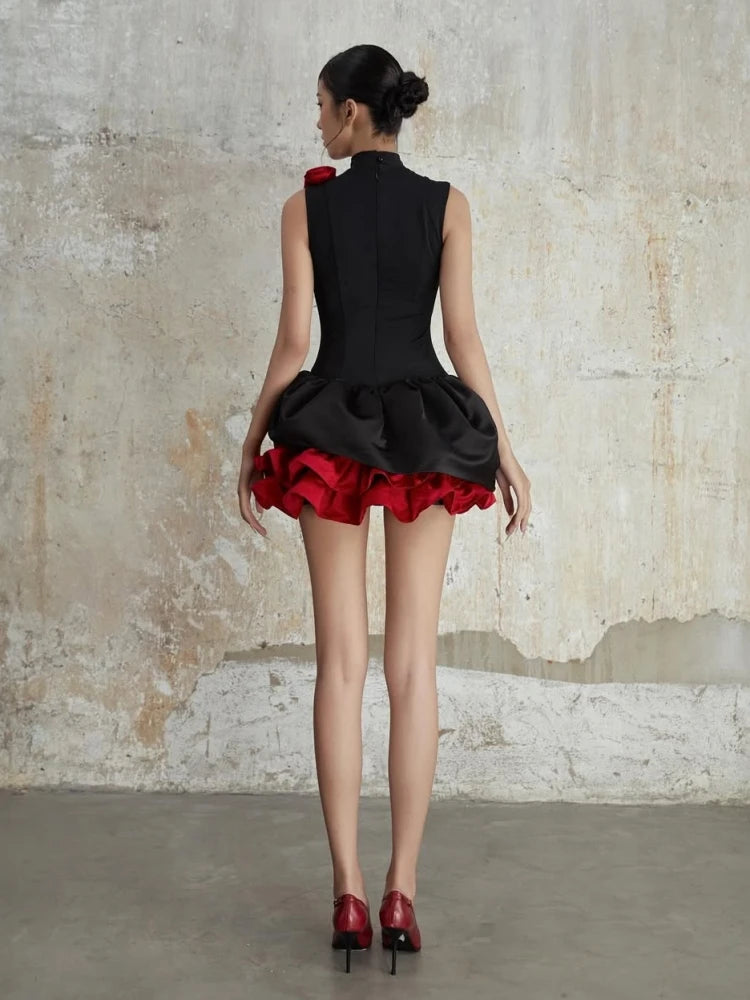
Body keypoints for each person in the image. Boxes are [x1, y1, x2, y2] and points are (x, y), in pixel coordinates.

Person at [237, 44, 531, 975]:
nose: (317, 122)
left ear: (353, 114)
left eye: (322, 105)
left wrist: (253, 440)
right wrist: (504, 449)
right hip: (425, 432)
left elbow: (294, 343)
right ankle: (402, 889)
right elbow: (463, 340)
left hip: (327, 428)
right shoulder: (447, 205)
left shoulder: (305, 207)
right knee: (412, 666)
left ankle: (349, 892)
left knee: (340, 665)